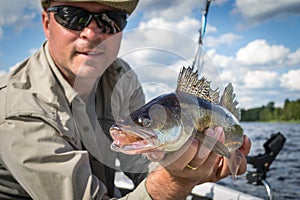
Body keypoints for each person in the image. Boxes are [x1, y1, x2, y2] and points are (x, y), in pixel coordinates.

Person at [0, 0, 251, 199]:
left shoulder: (121, 76)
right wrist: (174, 180)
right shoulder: (19, 110)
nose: (91, 32)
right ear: (46, 23)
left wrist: (181, 167)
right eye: (72, 16)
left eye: (110, 20)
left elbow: (142, 166)